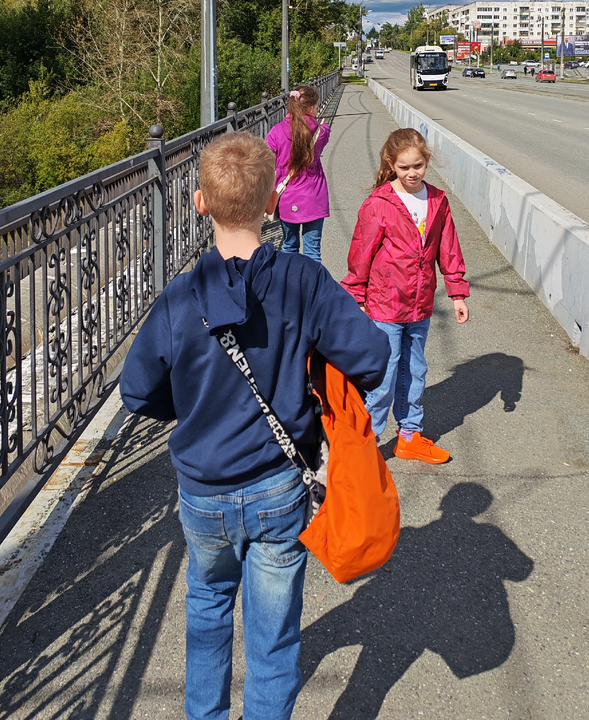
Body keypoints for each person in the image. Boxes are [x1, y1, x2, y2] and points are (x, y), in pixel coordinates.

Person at [120, 131, 388, 720]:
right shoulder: (303, 281)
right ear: (274, 203)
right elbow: (370, 357)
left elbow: (136, 391)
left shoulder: (180, 297)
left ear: (199, 203)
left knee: (208, 613)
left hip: (203, 493)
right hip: (276, 487)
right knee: (273, 638)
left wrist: (188, 406)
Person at [342, 127, 470, 465]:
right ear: (391, 164)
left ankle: (410, 436)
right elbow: (361, 254)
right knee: (382, 377)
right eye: (404, 168)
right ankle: (363, 445)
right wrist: (355, 294)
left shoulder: (438, 201)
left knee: (415, 370)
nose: (412, 174)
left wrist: (457, 292)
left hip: (420, 303)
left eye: (418, 166)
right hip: (384, 304)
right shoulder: (379, 204)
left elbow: (448, 248)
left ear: (427, 161)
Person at [265, 83, 330, 261]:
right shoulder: (321, 131)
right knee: (312, 252)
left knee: (289, 247)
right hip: (314, 198)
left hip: (287, 198)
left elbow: (266, 160)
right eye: (316, 106)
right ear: (310, 107)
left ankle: (290, 287)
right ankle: (312, 288)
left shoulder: (276, 132)